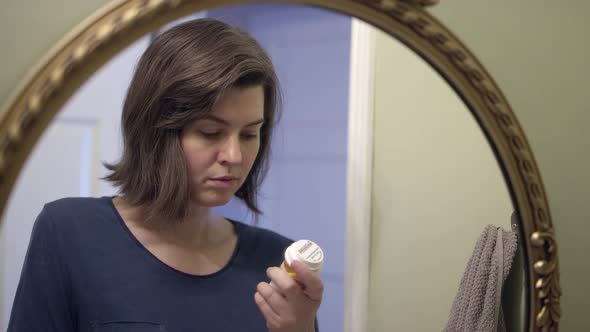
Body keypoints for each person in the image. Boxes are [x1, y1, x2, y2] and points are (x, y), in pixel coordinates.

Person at [8, 18, 323, 332]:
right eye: (211, 132)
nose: (234, 156)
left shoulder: (275, 265)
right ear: (156, 131)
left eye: (249, 134)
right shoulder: (69, 232)